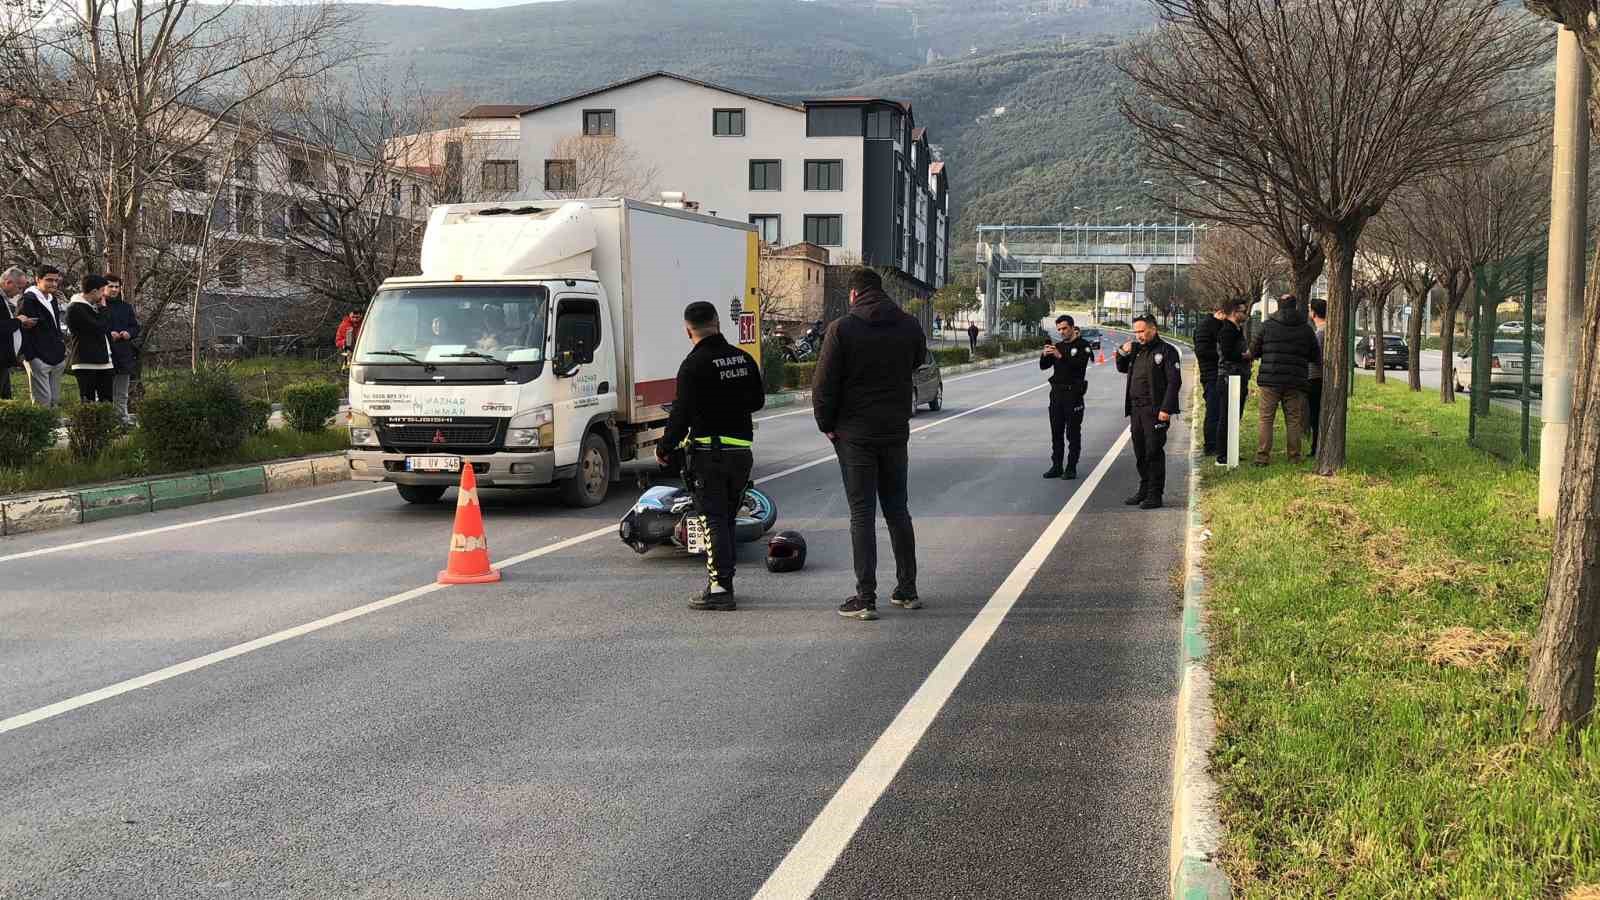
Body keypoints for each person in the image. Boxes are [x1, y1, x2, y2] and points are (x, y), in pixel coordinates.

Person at [813, 267, 927, 621]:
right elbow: (919, 361)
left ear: (853, 294)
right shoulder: (908, 325)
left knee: (862, 513)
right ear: (881, 291)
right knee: (897, 510)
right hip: (894, 431)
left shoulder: (842, 329)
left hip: (855, 434)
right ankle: (907, 589)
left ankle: (866, 597)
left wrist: (827, 426)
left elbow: (823, 385)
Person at [658, 301, 765, 611]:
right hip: (741, 453)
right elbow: (757, 401)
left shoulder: (693, 365)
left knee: (713, 521)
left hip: (709, 454)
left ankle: (719, 589)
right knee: (727, 519)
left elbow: (680, 414)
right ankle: (725, 583)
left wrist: (665, 448)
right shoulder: (744, 359)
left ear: (688, 330)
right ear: (718, 323)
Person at [1114, 315, 1182, 509]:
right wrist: (1122, 351)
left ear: (1153, 329)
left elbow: (1174, 382)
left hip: (1155, 410)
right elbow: (1121, 368)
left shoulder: (1166, 351)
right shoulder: (1136, 351)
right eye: (1136, 332)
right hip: (1137, 409)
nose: (1139, 335)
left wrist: (1166, 409)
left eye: (1142, 331)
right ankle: (1144, 489)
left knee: (1153, 451)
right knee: (1140, 451)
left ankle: (1155, 494)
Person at [1248, 295, 1321, 466]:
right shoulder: (1306, 329)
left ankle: (1262, 457)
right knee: (1294, 419)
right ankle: (1294, 456)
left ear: (1279, 307)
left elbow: (1254, 351)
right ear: (1295, 306)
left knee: (1266, 418)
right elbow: (1315, 356)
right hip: (1296, 381)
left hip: (1270, 380)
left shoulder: (1266, 326)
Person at [1040, 314, 1093, 480]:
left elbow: (1078, 367)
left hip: (1073, 395)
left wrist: (1060, 357)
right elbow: (1044, 366)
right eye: (1059, 329)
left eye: (1064, 328)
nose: (1062, 332)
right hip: (1056, 395)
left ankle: (1071, 467)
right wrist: (1045, 354)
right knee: (1056, 432)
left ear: (1072, 327)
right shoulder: (1059, 346)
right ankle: (1056, 466)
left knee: (1073, 433)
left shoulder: (1083, 346)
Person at [18, 264, 68, 408]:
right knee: (42, 401)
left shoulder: (52, 299)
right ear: (37, 280)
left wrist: (61, 350)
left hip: (56, 357)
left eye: (55, 280)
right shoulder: (28, 299)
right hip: (38, 357)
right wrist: (31, 357)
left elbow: (55, 327)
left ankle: (53, 429)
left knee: (55, 399)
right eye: (49, 280)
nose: (53, 284)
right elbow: (22, 330)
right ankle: (41, 430)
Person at [67, 274, 116, 404]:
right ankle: (90, 425)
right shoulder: (76, 308)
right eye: (102, 291)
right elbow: (99, 327)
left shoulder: (93, 306)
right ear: (94, 291)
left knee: (106, 401)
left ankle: (105, 424)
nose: (103, 295)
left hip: (104, 361)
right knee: (88, 402)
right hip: (86, 361)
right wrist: (103, 309)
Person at [1214, 302, 1252, 465]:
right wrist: (1245, 355)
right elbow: (1228, 353)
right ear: (1234, 312)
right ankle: (1222, 454)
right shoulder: (1227, 330)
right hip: (1229, 378)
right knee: (1227, 416)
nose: (1246, 314)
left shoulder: (1236, 329)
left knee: (1235, 416)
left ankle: (1231, 450)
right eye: (1244, 311)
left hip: (1238, 376)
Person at [1193, 299, 1230, 458]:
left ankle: (1222, 446)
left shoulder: (1221, 326)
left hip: (1222, 373)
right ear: (1221, 312)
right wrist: (1224, 354)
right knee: (1214, 411)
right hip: (1211, 374)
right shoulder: (1205, 327)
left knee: (1222, 412)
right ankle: (1211, 446)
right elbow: (1201, 351)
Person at [104, 275, 140, 423]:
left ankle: (121, 420)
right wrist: (108, 333)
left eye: (116, 287)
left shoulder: (126, 307)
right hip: (104, 354)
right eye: (110, 286)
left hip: (124, 354)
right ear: (103, 288)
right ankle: (105, 421)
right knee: (104, 392)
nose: (114, 289)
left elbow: (135, 327)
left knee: (121, 392)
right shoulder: (98, 306)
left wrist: (129, 333)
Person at [1, 266, 36, 402]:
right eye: (19, 287)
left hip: (5, 360)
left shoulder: (5, 299)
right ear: (8, 282)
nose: (20, 292)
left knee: (6, 401)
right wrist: (17, 321)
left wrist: (20, 323)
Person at [1307, 299, 1327, 456]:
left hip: (1315, 378)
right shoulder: (1327, 331)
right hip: (1320, 377)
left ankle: (1316, 447)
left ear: (1313, 313)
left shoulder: (1319, 334)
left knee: (1315, 414)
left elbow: (1315, 357)